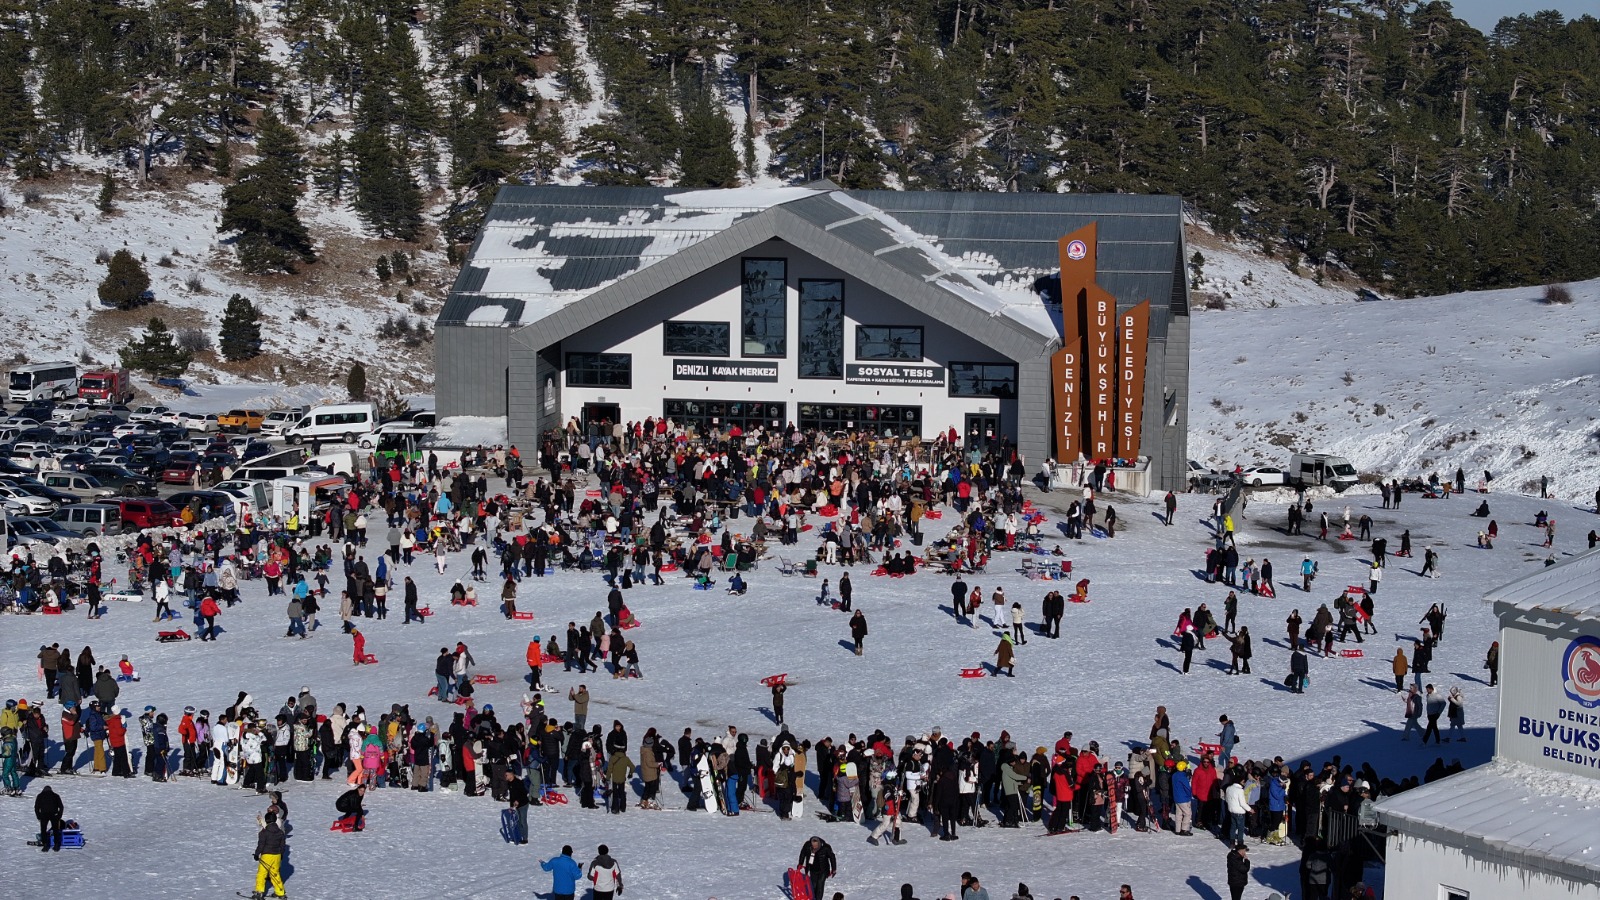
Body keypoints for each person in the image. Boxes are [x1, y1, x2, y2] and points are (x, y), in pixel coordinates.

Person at [251, 810, 288, 899]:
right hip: (277, 856)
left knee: (262, 874)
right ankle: (280, 892)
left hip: (266, 855)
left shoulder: (264, 832)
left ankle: (259, 892)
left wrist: (256, 854)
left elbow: (261, 845)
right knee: (275, 874)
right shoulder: (280, 833)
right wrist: (281, 854)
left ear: (266, 821)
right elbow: (282, 845)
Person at [799, 835, 837, 900]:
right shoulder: (807, 846)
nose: (814, 847)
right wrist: (800, 863)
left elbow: (832, 857)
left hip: (823, 870)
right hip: (813, 869)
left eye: (816, 846)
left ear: (819, 844)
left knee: (820, 885)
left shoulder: (825, 847)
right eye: (813, 846)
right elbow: (803, 854)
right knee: (814, 885)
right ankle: (816, 897)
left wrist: (834, 869)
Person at [34, 785, 64, 852]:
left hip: (44, 815)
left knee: (43, 830)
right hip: (54, 814)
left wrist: (38, 816)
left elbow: (36, 808)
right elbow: (61, 807)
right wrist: (59, 815)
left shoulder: (40, 796)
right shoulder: (56, 796)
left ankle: (45, 845)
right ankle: (56, 845)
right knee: (56, 830)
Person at [505, 770, 530, 844]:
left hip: (523, 804)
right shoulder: (509, 783)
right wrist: (511, 806)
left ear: (511, 775)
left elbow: (523, 793)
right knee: (518, 821)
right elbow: (512, 796)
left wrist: (518, 801)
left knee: (523, 821)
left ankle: (525, 838)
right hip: (517, 805)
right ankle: (519, 836)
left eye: (506, 775)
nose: (505, 777)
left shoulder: (518, 783)